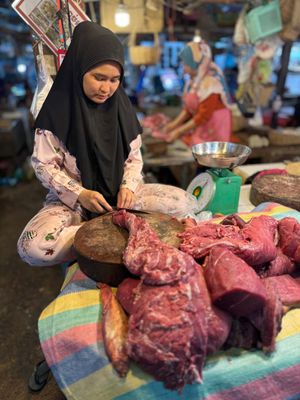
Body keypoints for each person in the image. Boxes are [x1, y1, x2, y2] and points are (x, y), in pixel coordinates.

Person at [17, 22, 199, 267]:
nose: (107, 88)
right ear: (79, 69)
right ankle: (105, 232)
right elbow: (44, 166)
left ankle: (115, 231)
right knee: (33, 247)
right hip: (74, 205)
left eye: (115, 80)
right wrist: (80, 193)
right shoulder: (56, 113)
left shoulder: (122, 109)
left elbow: (134, 158)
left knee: (185, 203)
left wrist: (128, 187)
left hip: (123, 199)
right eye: (99, 78)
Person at [163, 40, 232, 147]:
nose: (184, 69)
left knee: (210, 157)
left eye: (186, 64)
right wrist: (172, 125)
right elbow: (188, 109)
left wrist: (179, 131)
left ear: (195, 63)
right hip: (202, 125)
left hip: (214, 128)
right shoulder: (194, 81)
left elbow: (203, 115)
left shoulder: (210, 82)